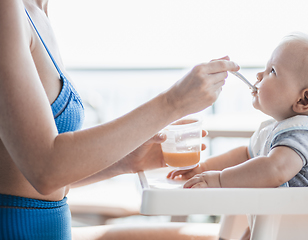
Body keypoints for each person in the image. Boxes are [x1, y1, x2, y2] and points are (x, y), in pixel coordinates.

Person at [0, 0, 240, 239]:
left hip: (51, 228)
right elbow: (44, 170)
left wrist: (124, 161)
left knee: (211, 235)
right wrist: (173, 103)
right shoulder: (7, 9)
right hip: (20, 230)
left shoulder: (38, 10)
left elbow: (25, 174)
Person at [167, 33, 308, 239]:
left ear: (303, 99)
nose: (259, 75)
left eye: (272, 71)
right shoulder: (279, 131)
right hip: (293, 222)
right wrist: (204, 168)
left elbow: (274, 169)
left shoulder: (307, 134)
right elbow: (247, 156)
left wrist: (219, 180)